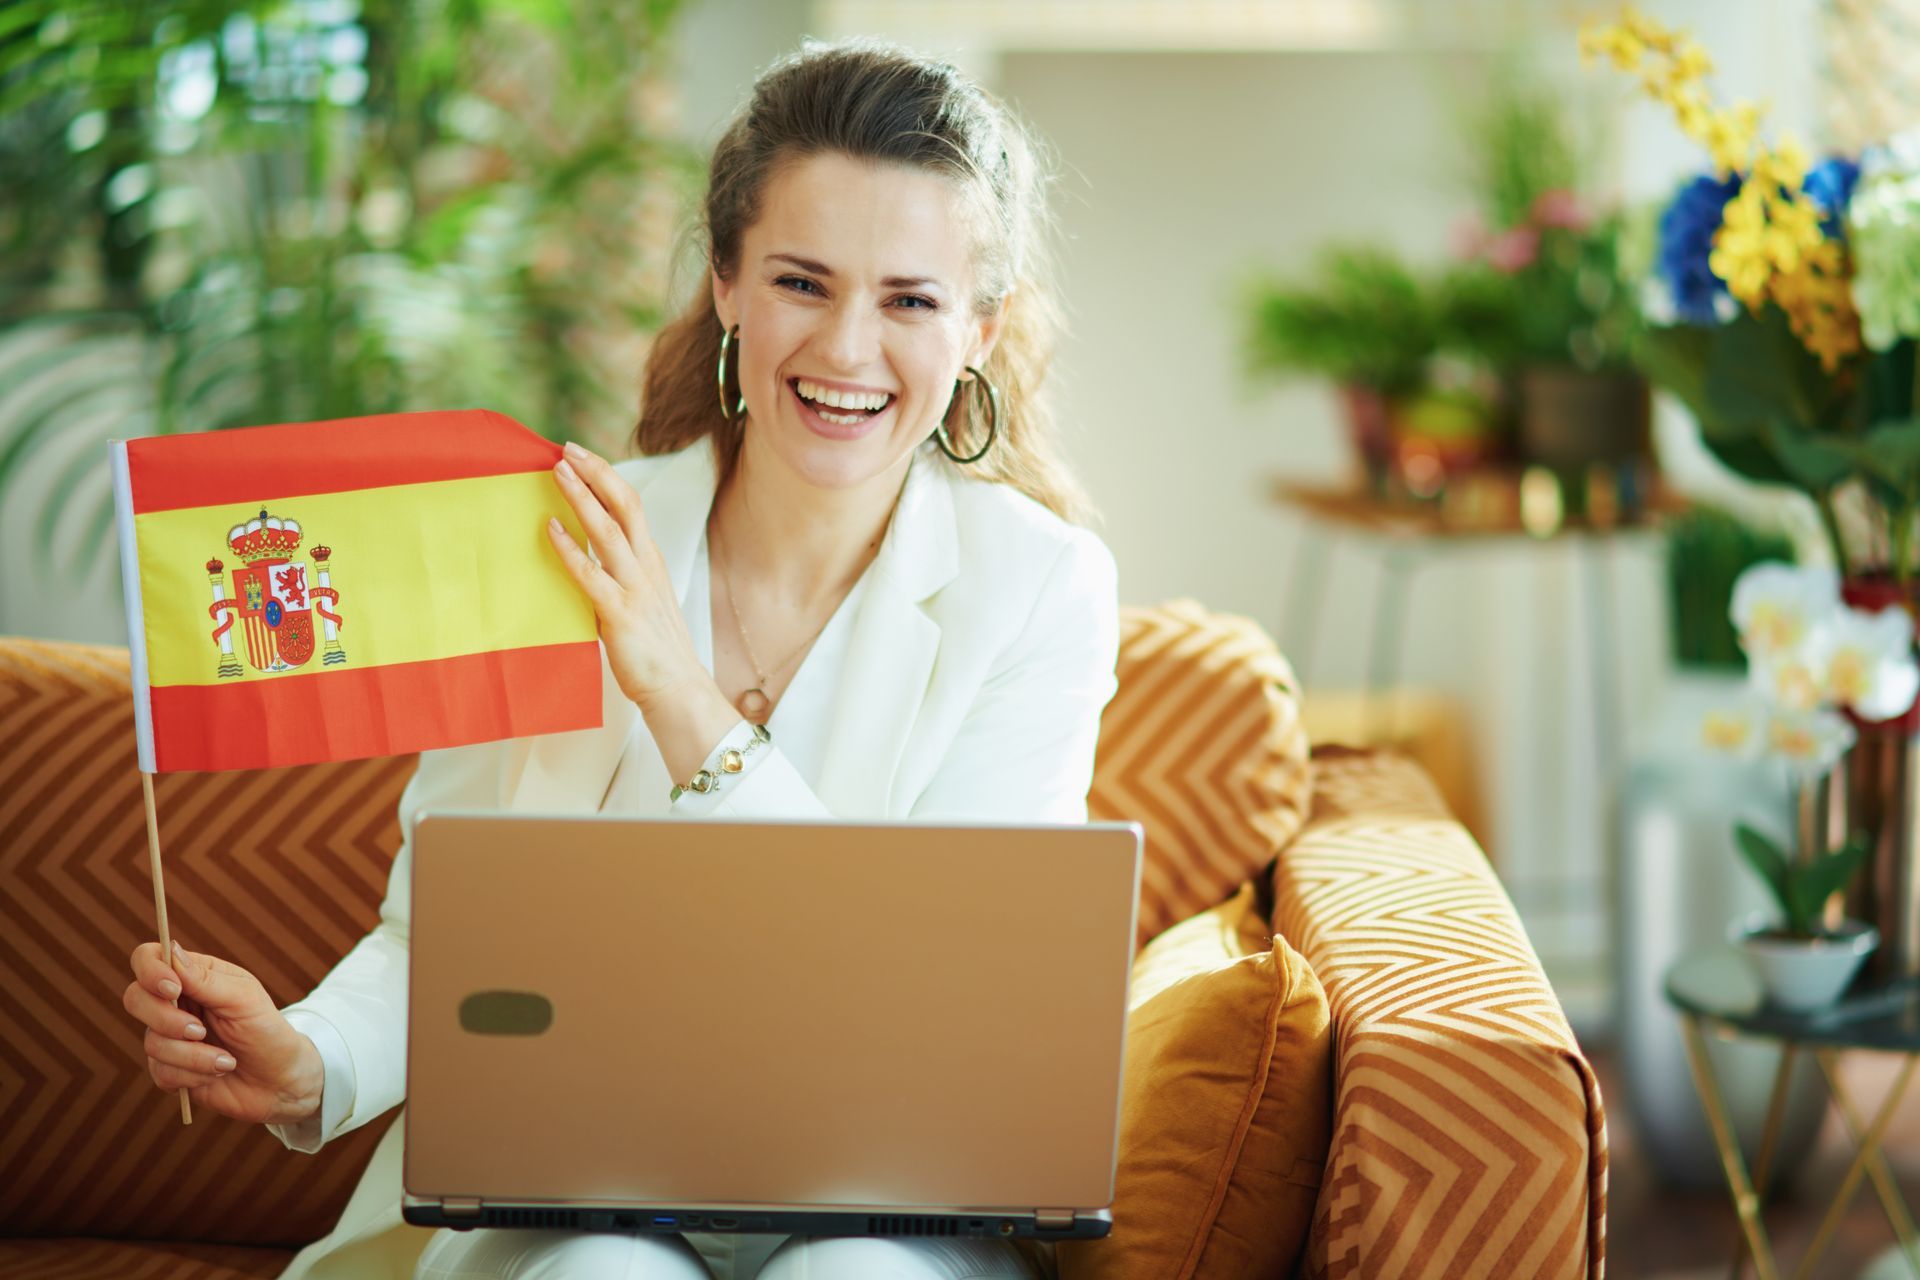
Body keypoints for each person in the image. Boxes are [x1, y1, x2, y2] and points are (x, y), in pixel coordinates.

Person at [119, 37, 1118, 1280]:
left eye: (910, 299)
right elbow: (452, 933)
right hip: (570, 1197)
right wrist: (307, 1060)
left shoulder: (1040, 586)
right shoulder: (552, 539)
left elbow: (936, 995)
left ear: (978, 328)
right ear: (727, 281)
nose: (850, 349)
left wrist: (680, 694)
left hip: (882, 1212)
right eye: (803, 282)